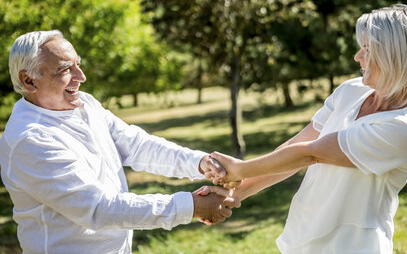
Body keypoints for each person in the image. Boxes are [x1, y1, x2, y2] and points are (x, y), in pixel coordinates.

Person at [208, 4, 407, 253]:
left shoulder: (402, 130)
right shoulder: (352, 90)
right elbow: (293, 149)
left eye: (367, 49)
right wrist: (238, 192)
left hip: (352, 246)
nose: (357, 57)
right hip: (305, 235)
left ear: (395, 57)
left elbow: (310, 153)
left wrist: (239, 169)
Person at [0, 30, 240, 254]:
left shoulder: (85, 104)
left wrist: (199, 162)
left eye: (78, 65)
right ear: (29, 81)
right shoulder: (29, 139)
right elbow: (98, 208)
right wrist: (191, 206)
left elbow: (137, 145)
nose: (81, 77)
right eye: (65, 70)